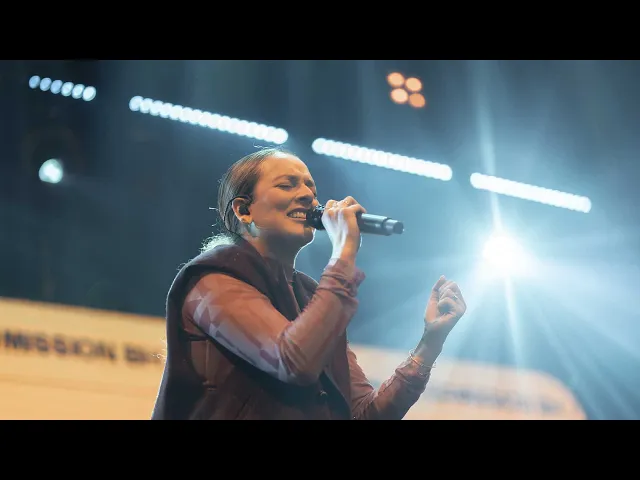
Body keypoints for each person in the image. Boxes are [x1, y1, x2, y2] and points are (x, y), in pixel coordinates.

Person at [151, 146, 467, 420]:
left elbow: (362, 414)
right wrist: (343, 252)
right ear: (244, 210)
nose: (307, 195)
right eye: (287, 185)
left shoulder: (311, 297)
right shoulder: (213, 280)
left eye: (310, 188)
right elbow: (293, 360)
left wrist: (430, 343)